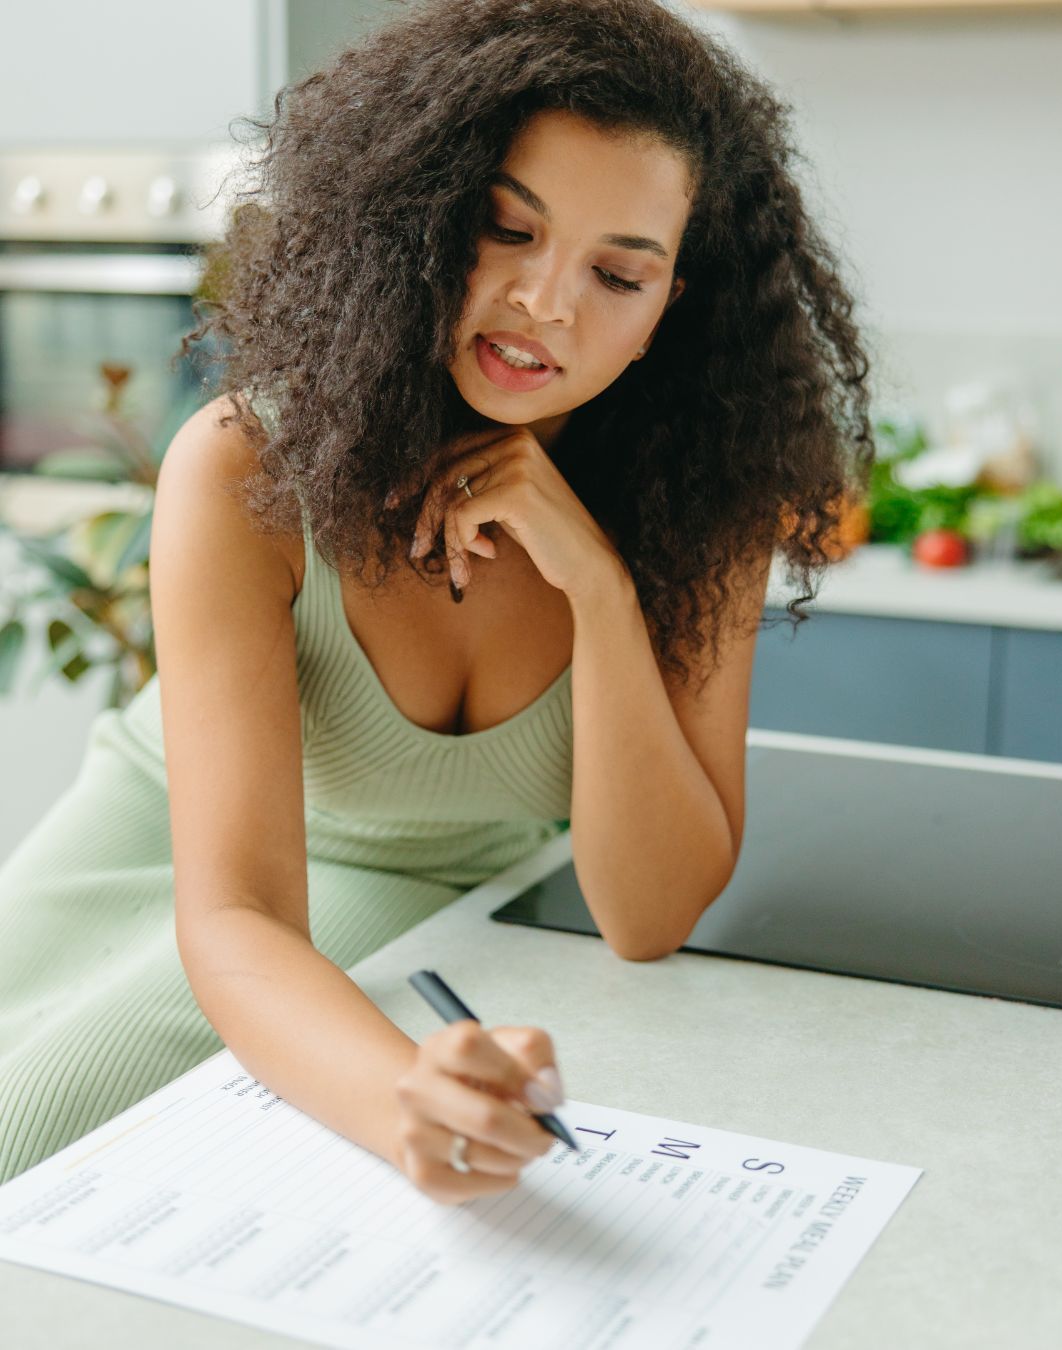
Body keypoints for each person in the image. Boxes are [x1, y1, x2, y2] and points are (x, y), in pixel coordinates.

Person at [0, 0, 873, 1198]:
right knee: (27, 1120)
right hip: (172, 856)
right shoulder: (248, 466)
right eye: (506, 229)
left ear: (673, 305)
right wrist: (393, 1099)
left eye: (620, 272)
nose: (547, 302)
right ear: (421, 213)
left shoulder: (701, 509)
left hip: (424, 910)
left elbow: (648, 915)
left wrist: (602, 590)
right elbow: (240, 909)